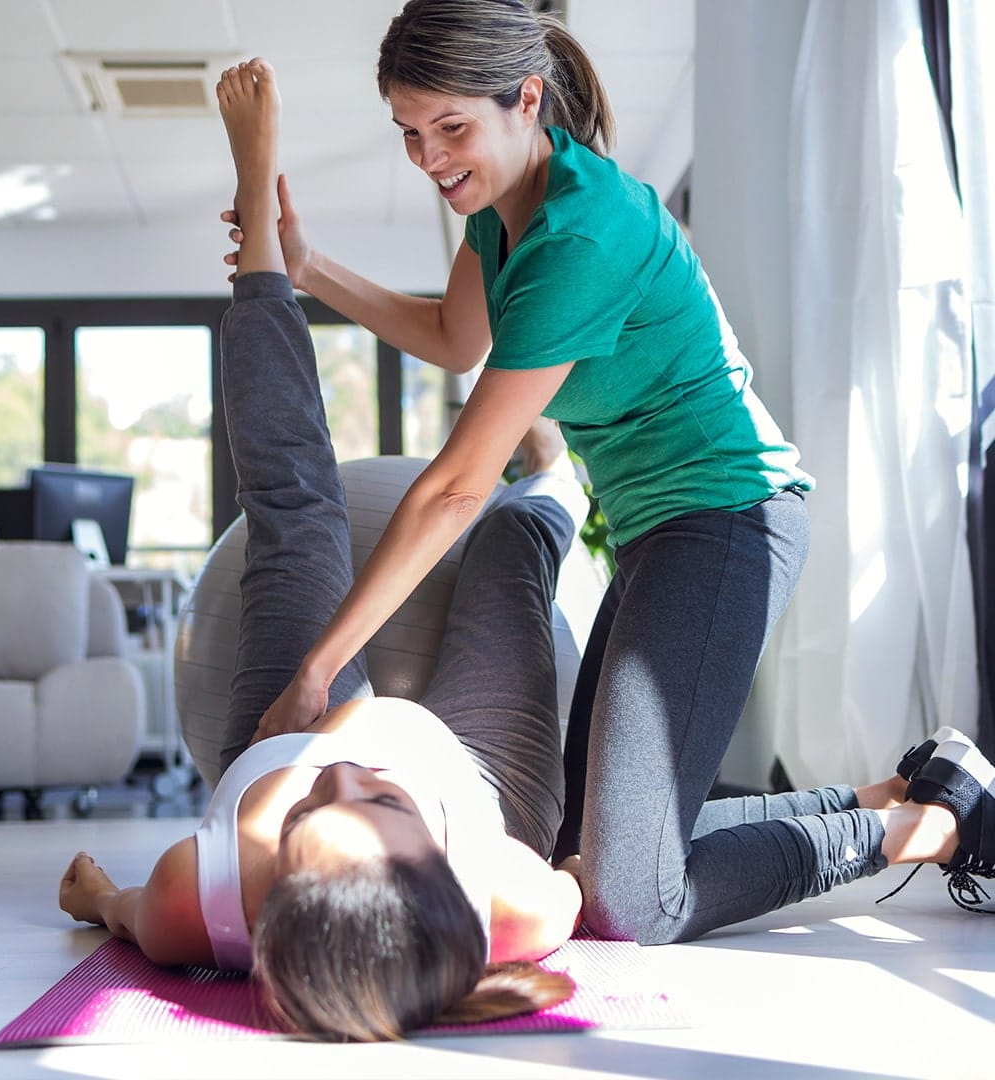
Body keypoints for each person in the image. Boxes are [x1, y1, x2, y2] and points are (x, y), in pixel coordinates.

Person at [60, 53, 993, 1044]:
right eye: (413, 133)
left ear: (527, 106)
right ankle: (910, 810)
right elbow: (457, 347)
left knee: (298, 506)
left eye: (448, 129)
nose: (342, 753)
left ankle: (550, 482)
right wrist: (316, 265)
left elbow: (105, 903)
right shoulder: (495, 897)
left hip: (713, 514)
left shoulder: (196, 899)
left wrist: (313, 676)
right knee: (611, 868)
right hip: (679, 530)